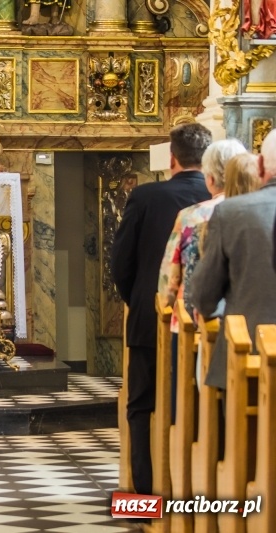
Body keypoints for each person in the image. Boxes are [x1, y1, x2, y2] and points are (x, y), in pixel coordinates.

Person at [110, 122, 212, 496]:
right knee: (201, 402)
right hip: (209, 323)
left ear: (172, 158)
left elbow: (120, 261)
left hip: (150, 317)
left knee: (141, 405)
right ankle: (197, 494)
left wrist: (138, 299)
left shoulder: (146, 196)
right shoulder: (221, 198)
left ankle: (145, 499)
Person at [157, 139, 246, 418]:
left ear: (210, 178)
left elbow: (169, 280)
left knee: (187, 407)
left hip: (194, 323)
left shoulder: (193, 216)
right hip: (250, 325)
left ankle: (185, 450)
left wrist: (165, 302)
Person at [192, 130, 276, 393]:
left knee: (242, 432)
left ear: (260, 165)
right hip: (250, 354)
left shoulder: (232, 211)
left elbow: (204, 295)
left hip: (249, 353)